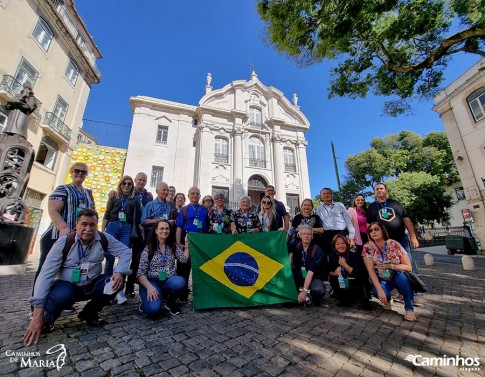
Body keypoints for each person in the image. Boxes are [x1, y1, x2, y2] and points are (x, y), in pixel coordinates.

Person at [23, 209, 132, 346]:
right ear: (76, 224)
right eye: (84, 224)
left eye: (92, 225)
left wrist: (119, 272)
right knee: (62, 294)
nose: (88, 229)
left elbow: (125, 251)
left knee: (115, 283)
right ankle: (47, 320)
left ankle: (89, 313)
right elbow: (45, 276)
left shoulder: (104, 238)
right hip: (67, 286)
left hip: (90, 285)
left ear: (97, 225)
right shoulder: (63, 242)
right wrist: (37, 315)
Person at [33, 163, 95, 299]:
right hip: (57, 236)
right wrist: (63, 228)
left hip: (75, 240)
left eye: (83, 172)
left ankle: (63, 300)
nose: (80, 174)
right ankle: (36, 304)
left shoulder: (87, 194)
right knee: (46, 271)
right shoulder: (63, 189)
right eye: (77, 171)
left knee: (67, 271)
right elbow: (53, 210)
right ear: (71, 172)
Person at [362, 222, 416, 321]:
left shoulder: (394, 244)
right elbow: (371, 270)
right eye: (370, 230)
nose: (373, 232)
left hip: (397, 275)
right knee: (378, 292)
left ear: (383, 230)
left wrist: (390, 266)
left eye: (376, 229)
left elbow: (408, 267)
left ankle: (409, 308)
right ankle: (387, 298)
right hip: (381, 278)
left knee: (403, 278)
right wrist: (379, 290)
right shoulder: (367, 247)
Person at [137, 219, 189, 316]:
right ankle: (145, 301)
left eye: (167, 229)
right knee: (153, 310)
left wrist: (187, 246)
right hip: (152, 282)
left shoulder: (172, 246)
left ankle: (169, 302)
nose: (164, 231)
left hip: (167, 280)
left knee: (181, 281)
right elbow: (140, 274)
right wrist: (150, 287)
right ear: (156, 231)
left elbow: (184, 259)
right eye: (161, 228)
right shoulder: (149, 248)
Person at [102, 175, 139, 304]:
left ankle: (118, 289)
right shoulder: (113, 196)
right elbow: (107, 214)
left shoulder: (134, 199)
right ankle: (107, 288)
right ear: (120, 184)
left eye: (129, 184)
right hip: (113, 225)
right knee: (110, 258)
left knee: (124, 257)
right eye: (124, 183)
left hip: (126, 228)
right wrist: (103, 231)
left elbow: (137, 216)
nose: (127, 186)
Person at [366, 182, 419, 258]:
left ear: (386, 190)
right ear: (374, 192)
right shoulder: (372, 207)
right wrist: (371, 241)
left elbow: (406, 219)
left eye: (381, 188)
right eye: (377, 189)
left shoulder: (396, 203)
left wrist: (413, 237)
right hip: (383, 240)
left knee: (406, 260)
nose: (379, 190)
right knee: (389, 262)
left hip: (400, 238)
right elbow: (368, 225)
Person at [175, 186, 208, 302]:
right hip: (187, 242)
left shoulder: (204, 209)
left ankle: (199, 295)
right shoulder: (184, 209)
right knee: (184, 268)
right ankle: (182, 295)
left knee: (200, 269)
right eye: (192, 193)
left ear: (200, 196)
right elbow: (179, 227)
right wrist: (178, 242)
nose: (195, 195)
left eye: (197, 194)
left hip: (200, 243)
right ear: (188, 196)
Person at [126, 172, 153, 298]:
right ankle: (122, 287)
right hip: (129, 228)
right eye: (140, 180)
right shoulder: (129, 192)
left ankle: (131, 286)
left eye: (144, 180)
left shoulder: (148, 196)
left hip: (143, 232)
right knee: (127, 258)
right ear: (136, 180)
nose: (141, 182)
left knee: (138, 258)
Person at [328, 235, 371, 310]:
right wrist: (335, 273)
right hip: (341, 282)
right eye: (337, 244)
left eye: (343, 243)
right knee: (335, 281)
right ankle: (342, 297)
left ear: (346, 244)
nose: (340, 246)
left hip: (356, 281)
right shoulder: (332, 255)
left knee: (364, 303)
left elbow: (360, 274)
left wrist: (345, 265)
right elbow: (328, 272)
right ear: (334, 246)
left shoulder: (354, 255)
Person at [291, 225, 326, 306]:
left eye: (309, 234)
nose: (306, 236)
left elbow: (311, 272)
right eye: (304, 234)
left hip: (313, 276)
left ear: (312, 236)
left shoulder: (317, 250)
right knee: (288, 301)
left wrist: (304, 291)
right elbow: (283, 248)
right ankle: (298, 295)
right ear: (300, 235)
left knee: (319, 290)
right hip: (298, 275)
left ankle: (312, 298)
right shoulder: (296, 245)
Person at [316, 188, 355, 254]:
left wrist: (351, 237)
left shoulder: (339, 205)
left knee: (344, 255)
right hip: (327, 236)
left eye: (328, 193)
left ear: (332, 195)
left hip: (341, 234)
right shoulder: (319, 209)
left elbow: (348, 222)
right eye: (324, 194)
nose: (326, 195)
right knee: (331, 257)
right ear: (321, 196)